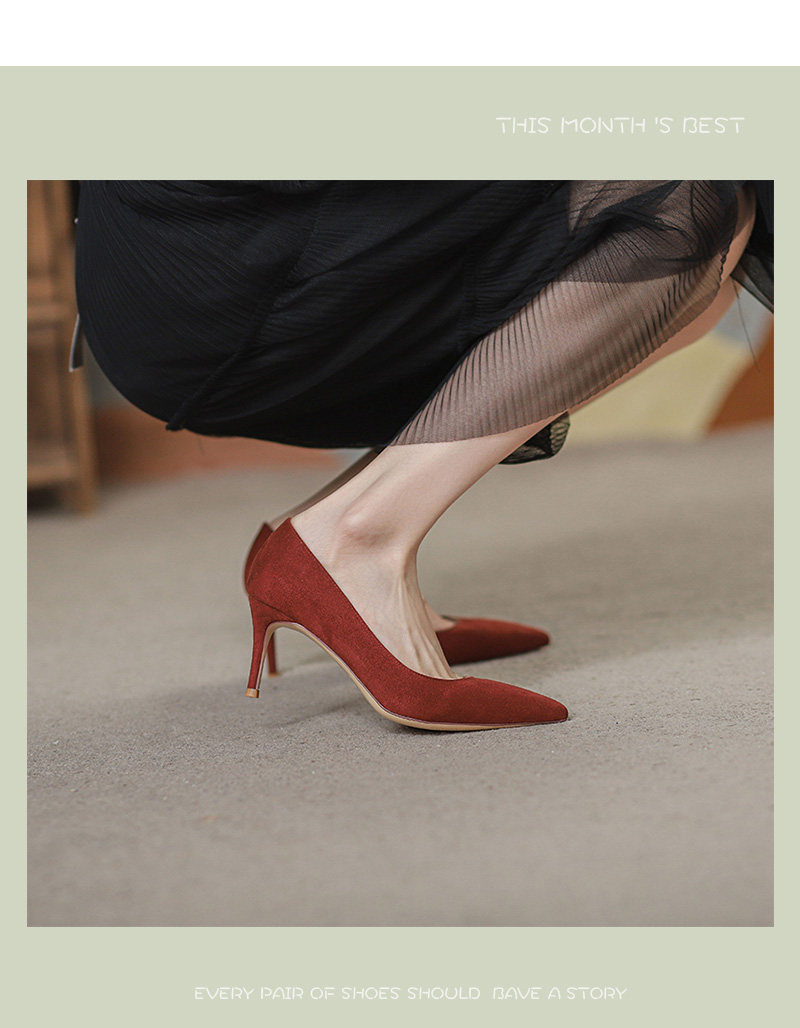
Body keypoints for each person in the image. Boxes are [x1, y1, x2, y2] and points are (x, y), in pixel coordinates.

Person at [74, 180, 774, 731]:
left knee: (717, 224)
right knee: (677, 198)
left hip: (197, 261)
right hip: (214, 277)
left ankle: (338, 524)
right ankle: (359, 539)